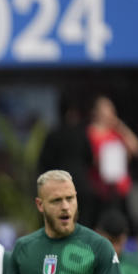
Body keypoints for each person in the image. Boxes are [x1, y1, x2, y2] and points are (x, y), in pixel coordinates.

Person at [38, 96, 94, 227]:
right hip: (81, 187)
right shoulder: (82, 134)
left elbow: (44, 163)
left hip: (58, 189)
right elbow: (90, 159)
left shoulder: (53, 135)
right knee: (82, 225)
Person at [87, 97, 138, 221]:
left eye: (111, 110)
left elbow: (136, 149)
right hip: (100, 189)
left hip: (121, 188)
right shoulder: (90, 133)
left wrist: (120, 126)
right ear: (96, 112)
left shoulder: (117, 132)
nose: (109, 113)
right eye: (105, 110)